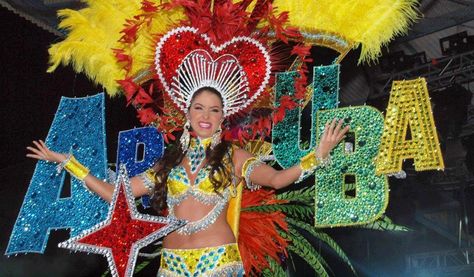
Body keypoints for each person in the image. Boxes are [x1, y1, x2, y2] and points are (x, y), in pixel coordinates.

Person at [26, 86, 348, 276]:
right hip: (173, 264)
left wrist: (316, 155)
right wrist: (69, 163)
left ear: (223, 116)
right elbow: (115, 194)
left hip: (217, 260)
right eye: (199, 108)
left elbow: (277, 180)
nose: (205, 116)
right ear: (188, 114)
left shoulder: (233, 157)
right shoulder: (168, 161)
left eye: (214, 110)